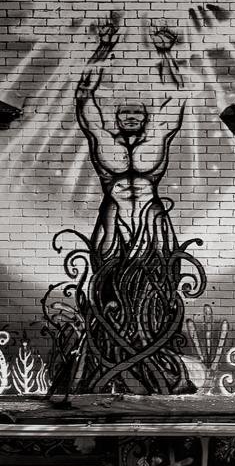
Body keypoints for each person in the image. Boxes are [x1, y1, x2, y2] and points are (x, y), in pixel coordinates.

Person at [55, 20, 205, 393]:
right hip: (115, 217)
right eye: (125, 115)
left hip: (152, 219)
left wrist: (168, 54)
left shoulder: (157, 137)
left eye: (138, 114)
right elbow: (83, 100)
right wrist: (102, 48)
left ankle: (155, 358)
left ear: (146, 118)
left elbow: (180, 96)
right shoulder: (104, 141)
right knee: (106, 284)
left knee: (158, 287)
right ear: (116, 119)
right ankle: (106, 358)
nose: (132, 118)